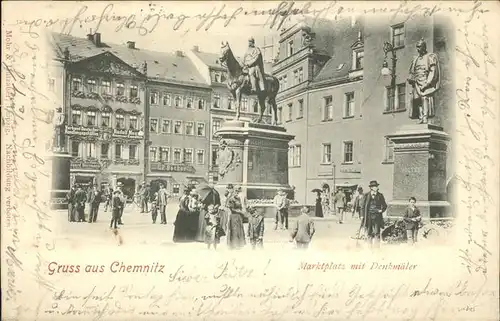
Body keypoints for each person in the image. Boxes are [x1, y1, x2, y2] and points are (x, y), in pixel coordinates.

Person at [407, 38, 441, 124]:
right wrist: (411, 78)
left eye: (419, 47)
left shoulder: (430, 57)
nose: (418, 49)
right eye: (417, 47)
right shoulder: (415, 59)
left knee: (424, 98)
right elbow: (412, 71)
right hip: (416, 82)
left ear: (424, 47)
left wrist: (427, 83)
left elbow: (433, 71)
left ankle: (425, 117)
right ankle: (421, 117)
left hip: (425, 81)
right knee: (417, 100)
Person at [361, 180, 387, 248]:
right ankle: (369, 247)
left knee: (377, 232)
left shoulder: (380, 195)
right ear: (371, 188)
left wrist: (381, 210)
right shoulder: (366, 195)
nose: (377, 187)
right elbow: (362, 206)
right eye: (375, 186)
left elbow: (384, 205)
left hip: (377, 216)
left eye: (376, 186)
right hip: (368, 216)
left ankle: (377, 248)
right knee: (369, 232)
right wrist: (362, 215)